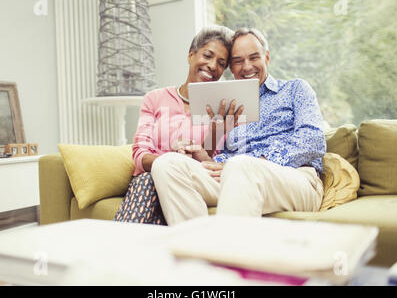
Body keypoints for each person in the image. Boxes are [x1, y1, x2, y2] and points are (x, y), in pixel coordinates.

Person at [151, 27, 326, 226]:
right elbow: (224, 158)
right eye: (238, 61)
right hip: (234, 176)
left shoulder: (295, 89)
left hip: (295, 179)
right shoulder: (225, 103)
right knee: (167, 164)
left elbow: (313, 140)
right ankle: (198, 248)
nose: (247, 66)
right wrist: (205, 157)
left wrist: (258, 160)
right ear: (231, 69)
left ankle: (225, 254)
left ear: (266, 57)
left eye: (254, 57)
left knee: (240, 165)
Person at [113, 25, 243, 225]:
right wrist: (170, 160)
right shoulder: (154, 98)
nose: (212, 66)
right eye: (207, 55)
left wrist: (214, 135)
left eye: (220, 63)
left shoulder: (220, 108)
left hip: (187, 182)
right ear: (191, 55)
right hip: (149, 180)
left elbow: (211, 166)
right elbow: (140, 154)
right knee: (148, 181)